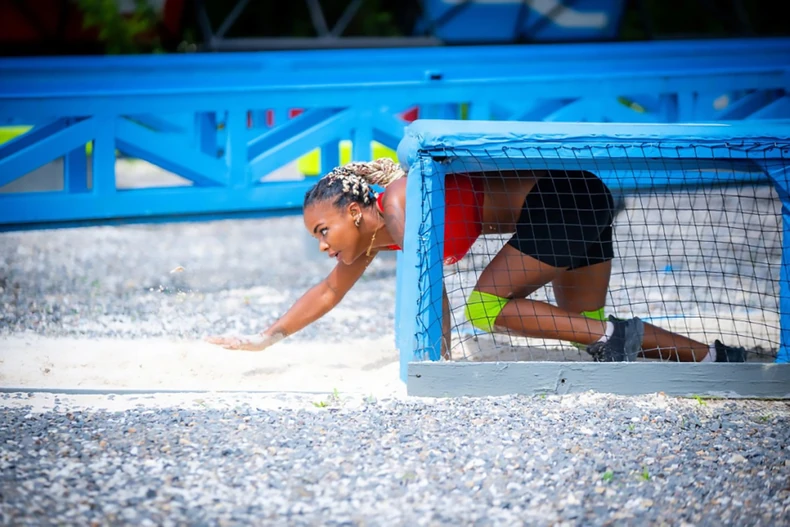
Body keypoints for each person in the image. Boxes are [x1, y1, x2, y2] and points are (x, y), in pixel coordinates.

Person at [206, 158, 748, 363]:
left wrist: (433, 364)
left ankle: (667, 349)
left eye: (324, 231)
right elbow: (327, 291)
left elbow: (430, 290)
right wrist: (264, 338)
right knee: (593, 334)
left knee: (486, 308)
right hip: (574, 204)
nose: (323, 246)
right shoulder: (376, 235)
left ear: (354, 210)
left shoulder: (398, 204)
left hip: (562, 200)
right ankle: (715, 359)